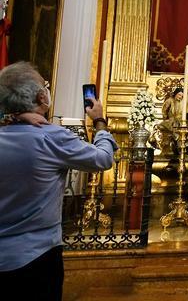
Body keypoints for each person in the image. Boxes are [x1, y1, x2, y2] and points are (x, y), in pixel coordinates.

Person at [0, 61, 117, 300]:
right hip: (37, 256)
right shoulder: (50, 138)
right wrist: (99, 121)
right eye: (45, 85)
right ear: (42, 97)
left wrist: (11, 116)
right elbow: (103, 158)